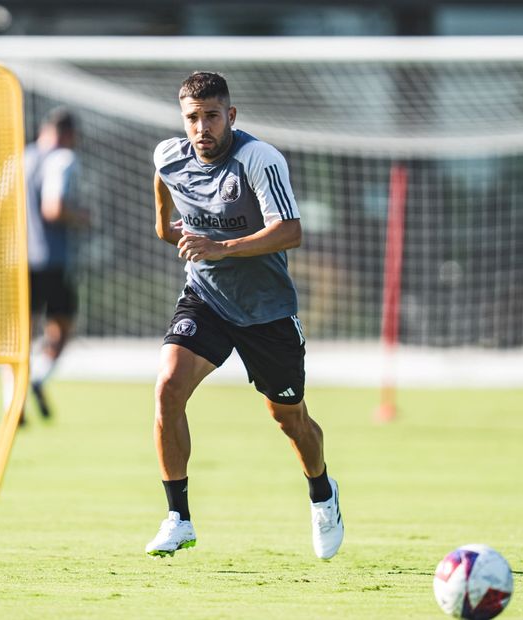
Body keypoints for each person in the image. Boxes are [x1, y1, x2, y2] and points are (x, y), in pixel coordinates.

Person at [145, 71, 344, 560]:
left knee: (289, 419)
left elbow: (290, 231)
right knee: (168, 386)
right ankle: (178, 517)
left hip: (266, 311)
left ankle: (322, 494)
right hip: (206, 299)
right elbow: (164, 222)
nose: (202, 127)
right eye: (192, 117)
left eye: (211, 116)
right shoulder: (168, 157)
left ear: (230, 115)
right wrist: (184, 238)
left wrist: (221, 246)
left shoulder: (259, 159)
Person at [18, 107, 86, 422]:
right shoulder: (62, 159)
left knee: (20, 336)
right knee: (62, 328)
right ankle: (38, 379)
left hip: (16, 260)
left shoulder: (20, 158)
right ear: (69, 135)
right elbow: (53, 208)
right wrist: (81, 216)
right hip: (51, 259)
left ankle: (12, 403)